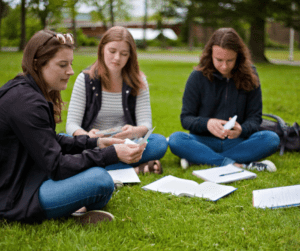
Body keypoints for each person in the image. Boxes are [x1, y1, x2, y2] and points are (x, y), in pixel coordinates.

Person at [0, 30, 146, 224]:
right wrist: (111, 154)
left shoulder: (28, 90)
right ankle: (71, 209)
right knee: (100, 181)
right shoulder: (26, 102)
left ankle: (73, 207)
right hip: (13, 196)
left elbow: (51, 139)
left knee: (100, 181)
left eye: (70, 64)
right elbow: (56, 165)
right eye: (62, 65)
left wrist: (98, 142)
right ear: (37, 64)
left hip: (31, 177)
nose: (70, 71)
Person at [168, 28, 280, 172]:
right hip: (203, 140)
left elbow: (255, 118)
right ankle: (238, 164)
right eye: (219, 60)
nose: (224, 66)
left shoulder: (250, 75)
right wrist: (207, 123)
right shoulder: (197, 76)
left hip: (236, 142)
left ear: (238, 56)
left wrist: (242, 129)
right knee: (176, 139)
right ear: (210, 54)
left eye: (230, 60)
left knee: (271, 138)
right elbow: (186, 119)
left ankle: (202, 159)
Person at [66, 26, 168, 175]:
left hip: (125, 143)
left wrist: (133, 132)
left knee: (159, 143)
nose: (117, 58)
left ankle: (96, 168)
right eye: (112, 51)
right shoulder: (85, 79)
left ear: (130, 56)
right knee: (64, 140)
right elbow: (71, 125)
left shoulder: (139, 81)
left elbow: (146, 124)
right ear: (102, 49)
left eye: (124, 54)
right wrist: (88, 136)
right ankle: (134, 169)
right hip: (94, 144)